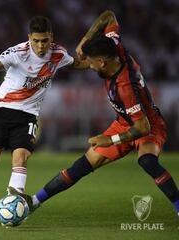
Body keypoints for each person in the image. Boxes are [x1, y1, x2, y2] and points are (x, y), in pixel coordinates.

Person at [10, 10, 179, 217]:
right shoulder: (115, 49)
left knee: (147, 161)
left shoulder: (124, 87)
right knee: (84, 164)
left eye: (90, 62)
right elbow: (108, 16)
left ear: (101, 63)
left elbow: (142, 127)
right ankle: (33, 202)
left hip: (149, 124)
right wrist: (85, 40)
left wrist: (112, 140)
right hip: (126, 123)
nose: (87, 65)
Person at [0, 16, 88, 227]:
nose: (40, 46)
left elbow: (79, 63)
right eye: (36, 40)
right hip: (1, 110)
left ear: (51, 38)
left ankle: (14, 208)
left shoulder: (58, 54)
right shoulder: (17, 53)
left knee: (20, 158)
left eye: (45, 41)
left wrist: (96, 60)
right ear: (29, 38)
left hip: (28, 115)